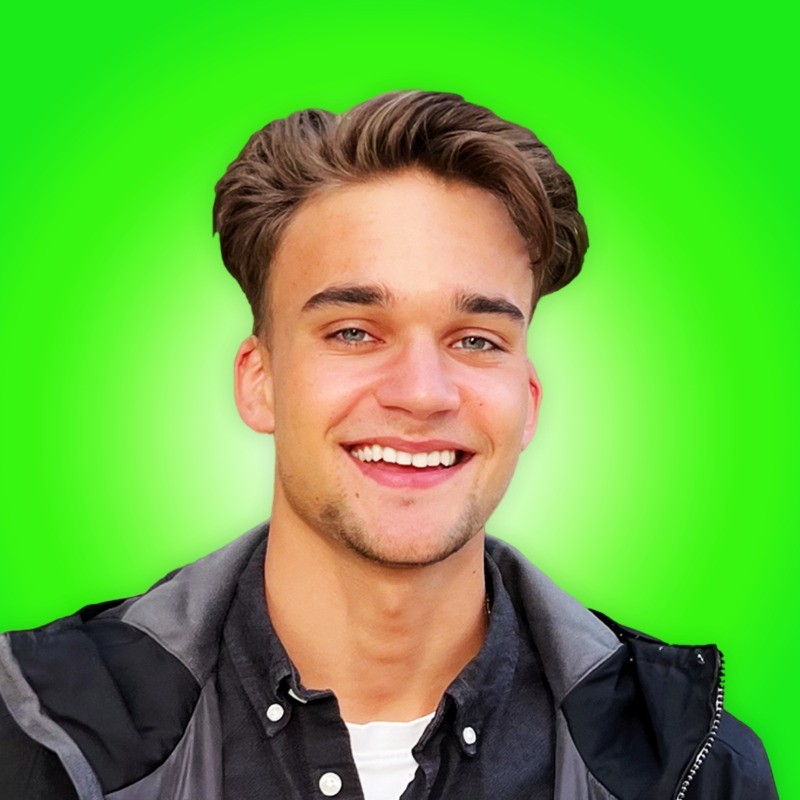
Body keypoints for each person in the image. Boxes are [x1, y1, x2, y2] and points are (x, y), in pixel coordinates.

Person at [0, 91, 777, 800]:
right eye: (353, 332)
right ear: (259, 381)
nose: (423, 392)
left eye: (476, 340)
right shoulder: (30, 743)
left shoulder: (695, 769)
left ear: (528, 402)